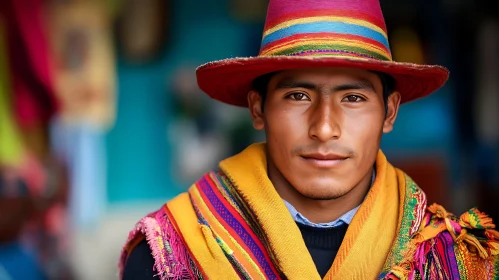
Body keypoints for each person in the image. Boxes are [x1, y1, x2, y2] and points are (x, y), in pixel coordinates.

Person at [119, 0, 499, 279]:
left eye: (353, 98)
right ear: (257, 110)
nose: (324, 127)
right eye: (298, 96)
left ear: (390, 113)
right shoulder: (167, 257)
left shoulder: (452, 260)